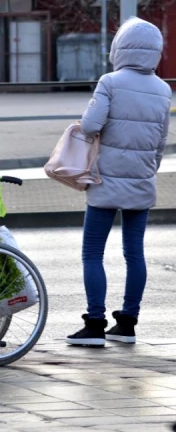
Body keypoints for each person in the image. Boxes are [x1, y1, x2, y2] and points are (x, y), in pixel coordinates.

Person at [66, 17, 171, 347]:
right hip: (141, 181)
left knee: (92, 253)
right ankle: (127, 323)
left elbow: (89, 126)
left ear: (119, 48)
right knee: (134, 253)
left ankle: (95, 324)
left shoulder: (109, 82)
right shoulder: (164, 89)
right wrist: (146, 171)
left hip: (105, 181)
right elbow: (160, 143)